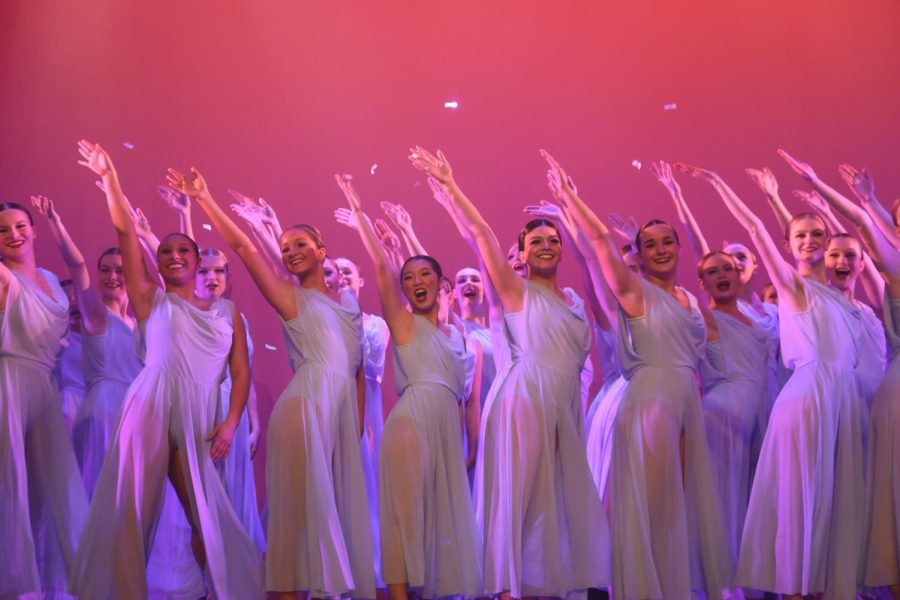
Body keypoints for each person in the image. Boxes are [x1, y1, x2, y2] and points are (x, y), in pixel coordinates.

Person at [410, 146, 609, 598]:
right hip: (523, 398)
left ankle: (546, 584)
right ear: (520, 251)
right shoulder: (514, 291)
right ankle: (506, 588)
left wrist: (569, 207)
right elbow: (479, 233)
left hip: (564, 403)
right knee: (517, 496)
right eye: (535, 241)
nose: (545, 246)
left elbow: (595, 259)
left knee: (557, 497)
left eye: (553, 240)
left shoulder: (576, 302)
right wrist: (450, 183)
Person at [169, 165, 373, 599]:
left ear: (322, 251)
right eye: (284, 247)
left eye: (300, 244)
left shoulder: (351, 304)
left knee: (325, 520)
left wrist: (351, 433)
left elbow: (356, 372)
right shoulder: (289, 297)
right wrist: (205, 198)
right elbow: (243, 246)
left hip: (333, 422)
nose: (291, 251)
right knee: (297, 525)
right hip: (301, 416)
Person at [70, 141, 262, 598]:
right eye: (167, 252)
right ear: (158, 263)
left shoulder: (227, 312)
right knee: (133, 512)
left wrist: (232, 423)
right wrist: (109, 179)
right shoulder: (149, 299)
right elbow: (124, 234)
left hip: (199, 415)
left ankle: (211, 590)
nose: (174, 255)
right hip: (151, 404)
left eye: (184, 251)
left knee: (206, 515)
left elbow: (240, 374)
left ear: (197, 263)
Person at [539, 150, 729, 598]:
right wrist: (570, 196)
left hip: (685, 405)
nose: (661, 249)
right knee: (645, 507)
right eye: (650, 244)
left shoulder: (689, 299)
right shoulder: (633, 292)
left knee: (674, 508)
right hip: (649, 403)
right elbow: (600, 243)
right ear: (639, 256)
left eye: (667, 242)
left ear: (678, 248)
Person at [677, 159, 865, 600]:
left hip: (841, 399)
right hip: (808, 398)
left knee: (832, 503)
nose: (811, 241)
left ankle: (822, 587)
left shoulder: (840, 296)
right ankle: (792, 590)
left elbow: (840, 246)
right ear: (788, 245)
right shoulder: (791, 285)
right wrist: (721, 180)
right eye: (800, 236)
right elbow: (759, 229)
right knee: (800, 501)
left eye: (818, 234)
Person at [336, 175, 481, 600]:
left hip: (444, 433)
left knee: (439, 518)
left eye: (426, 274)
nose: (417, 281)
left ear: (441, 284)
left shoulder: (458, 337)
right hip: (409, 424)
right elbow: (382, 266)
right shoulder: (401, 323)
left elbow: (462, 396)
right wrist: (360, 213)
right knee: (404, 513)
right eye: (410, 276)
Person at [778, 156, 900, 599]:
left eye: (851, 256)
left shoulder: (866, 308)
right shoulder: (819, 295)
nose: (842, 260)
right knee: (835, 503)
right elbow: (809, 249)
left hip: (868, 409)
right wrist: (793, 196)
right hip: (844, 407)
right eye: (834, 253)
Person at [0, 199, 88, 598]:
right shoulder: (3, 276)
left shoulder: (52, 280)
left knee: (51, 488)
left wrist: (55, 219)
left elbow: (81, 268)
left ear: (33, 231)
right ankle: (17, 586)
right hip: (11, 382)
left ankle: (60, 582)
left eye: (20, 226)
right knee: (11, 486)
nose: (14, 235)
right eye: (3, 231)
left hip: (44, 389)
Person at [30, 196, 142, 498]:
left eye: (119, 269)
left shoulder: (139, 324)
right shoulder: (95, 313)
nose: (112, 277)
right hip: (103, 411)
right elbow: (77, 264)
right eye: (105, 270)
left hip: (136, 412)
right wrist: (55, 222)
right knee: (101, 493)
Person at [694, 251, 771, 574]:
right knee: (727, 500)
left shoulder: (757, 318)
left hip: (763, 413)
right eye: (713, 271)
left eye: (728, 268)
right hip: (724, 416)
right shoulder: (703, 318)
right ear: (703, 283)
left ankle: (757, 576)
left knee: (758, 500)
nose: (722, 274)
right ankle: (725, 582)